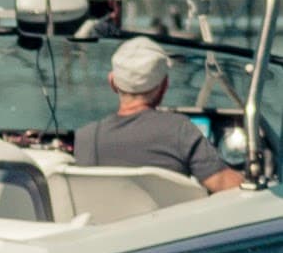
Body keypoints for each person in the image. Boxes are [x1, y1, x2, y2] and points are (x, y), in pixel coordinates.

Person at [73, 36, 244, 192]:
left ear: (112, 83)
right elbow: (226, 185)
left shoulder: (86, 138)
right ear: (164, 86)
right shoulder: (179, 130)